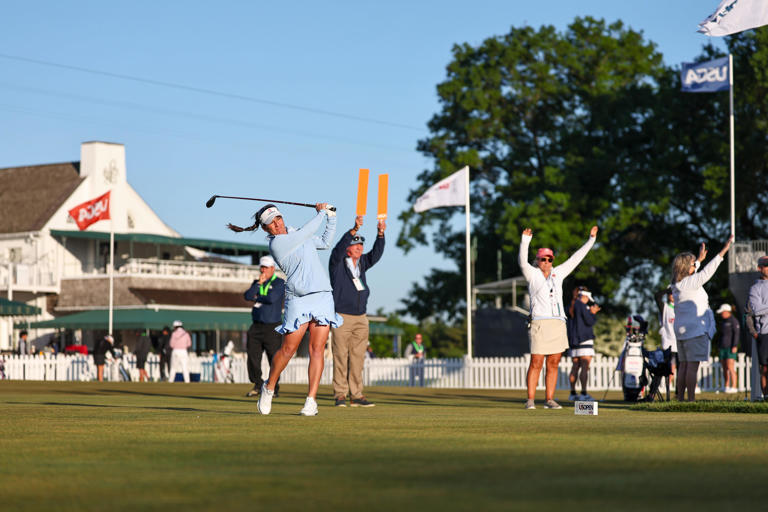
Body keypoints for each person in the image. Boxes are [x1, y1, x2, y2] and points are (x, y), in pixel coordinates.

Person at [229, 202, 339, 416]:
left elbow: (325, 242)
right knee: (288, 350)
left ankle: (311, 401)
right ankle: (269, 387)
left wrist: (331, 218)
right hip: (298, 299)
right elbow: (309, 231)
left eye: (278, 218)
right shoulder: (277, 244)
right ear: (265, 228)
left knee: (317, 350)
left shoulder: (297, 232)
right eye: (271, 222)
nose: (277, 224)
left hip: (322, 296)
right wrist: (320, 213)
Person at [519, 225, 598, 410]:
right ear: (537, 260)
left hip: (558, 322)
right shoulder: (532, 274)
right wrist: (525, 242)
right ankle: (530, 399)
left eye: (549, 259)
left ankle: (549, 399)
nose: (546, 262)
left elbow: (576, 259)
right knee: (536, 362)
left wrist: (591, 240)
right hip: (539, 321)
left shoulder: (558, 273)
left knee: (553, 362)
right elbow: (522, 261)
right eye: (542, 259)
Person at [329, 215, 385, 407]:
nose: (360, 247)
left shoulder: (361, 264)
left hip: (361, 317)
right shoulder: (337, 264)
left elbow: (376, 255)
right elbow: (336, 249)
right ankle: (340, 395)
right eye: (355, 244)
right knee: (340, 357)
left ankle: (357, 395)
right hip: (341, 316)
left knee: (358, 358)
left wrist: (380, 234)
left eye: (361, 244)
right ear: (348, 248)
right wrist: (353, 229)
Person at [671, 236, 733, 402]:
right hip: (694, 330)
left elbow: (695, 271)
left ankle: (681, 400)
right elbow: (707, 272)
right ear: (686, 268)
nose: (695, 266)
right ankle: (690, 400)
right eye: (692, 264)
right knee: (692, 367)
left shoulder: (677, 284)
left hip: (682, 330)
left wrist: (698, 260)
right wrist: (723, 251)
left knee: (684, 366)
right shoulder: (690, 283)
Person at [243, 255, 286, 398]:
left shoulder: (279, 283)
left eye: (266, 267)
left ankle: (274, 386)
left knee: (274, 358)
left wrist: (258, 296)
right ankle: (257, 384)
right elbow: (248, 296)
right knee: (253, 357)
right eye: (262, 267)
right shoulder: (257, 282)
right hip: (256, 326)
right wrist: (258, 286)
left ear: (273, 269)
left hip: (272, 326)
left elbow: (271, 298)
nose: (263, 270)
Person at [568, 289, 600, 401]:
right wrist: (592, 313)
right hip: (585, 340)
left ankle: (572, 393)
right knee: (585, 367)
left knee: (575, 367)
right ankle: (583, 393)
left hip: (574, 341)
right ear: (585, 297)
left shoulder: (571, 305)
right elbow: (589, 321)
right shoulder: (582, 306)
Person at [747, 255, 768, 397]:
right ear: (759, 268)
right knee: (765, 368)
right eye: (766, 265)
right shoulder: (755, 288)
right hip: (765, 332)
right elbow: (756, 310)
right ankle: (766, 397)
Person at [655, 287, 678, 389]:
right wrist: (669, 288)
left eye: (674, 294)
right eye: (670, 294)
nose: (672, 296)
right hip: (668, 341)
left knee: (681, 366)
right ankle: (665, 385)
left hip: (680, 341)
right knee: (667, 365)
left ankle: (679, 389)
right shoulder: (665, 307)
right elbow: (657, 296)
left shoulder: (681, 307)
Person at [715, 304, 740, 393]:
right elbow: (720, 335)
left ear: (726, 311)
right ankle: (726, 386)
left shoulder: (734, 321)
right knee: (724, 367)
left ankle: (733, 387)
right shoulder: (723, 322)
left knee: (730, 367)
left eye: (722, 312)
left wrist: (735, 345)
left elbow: (736, 334)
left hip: (730, 347)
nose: (721, 314)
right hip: (722, 347)